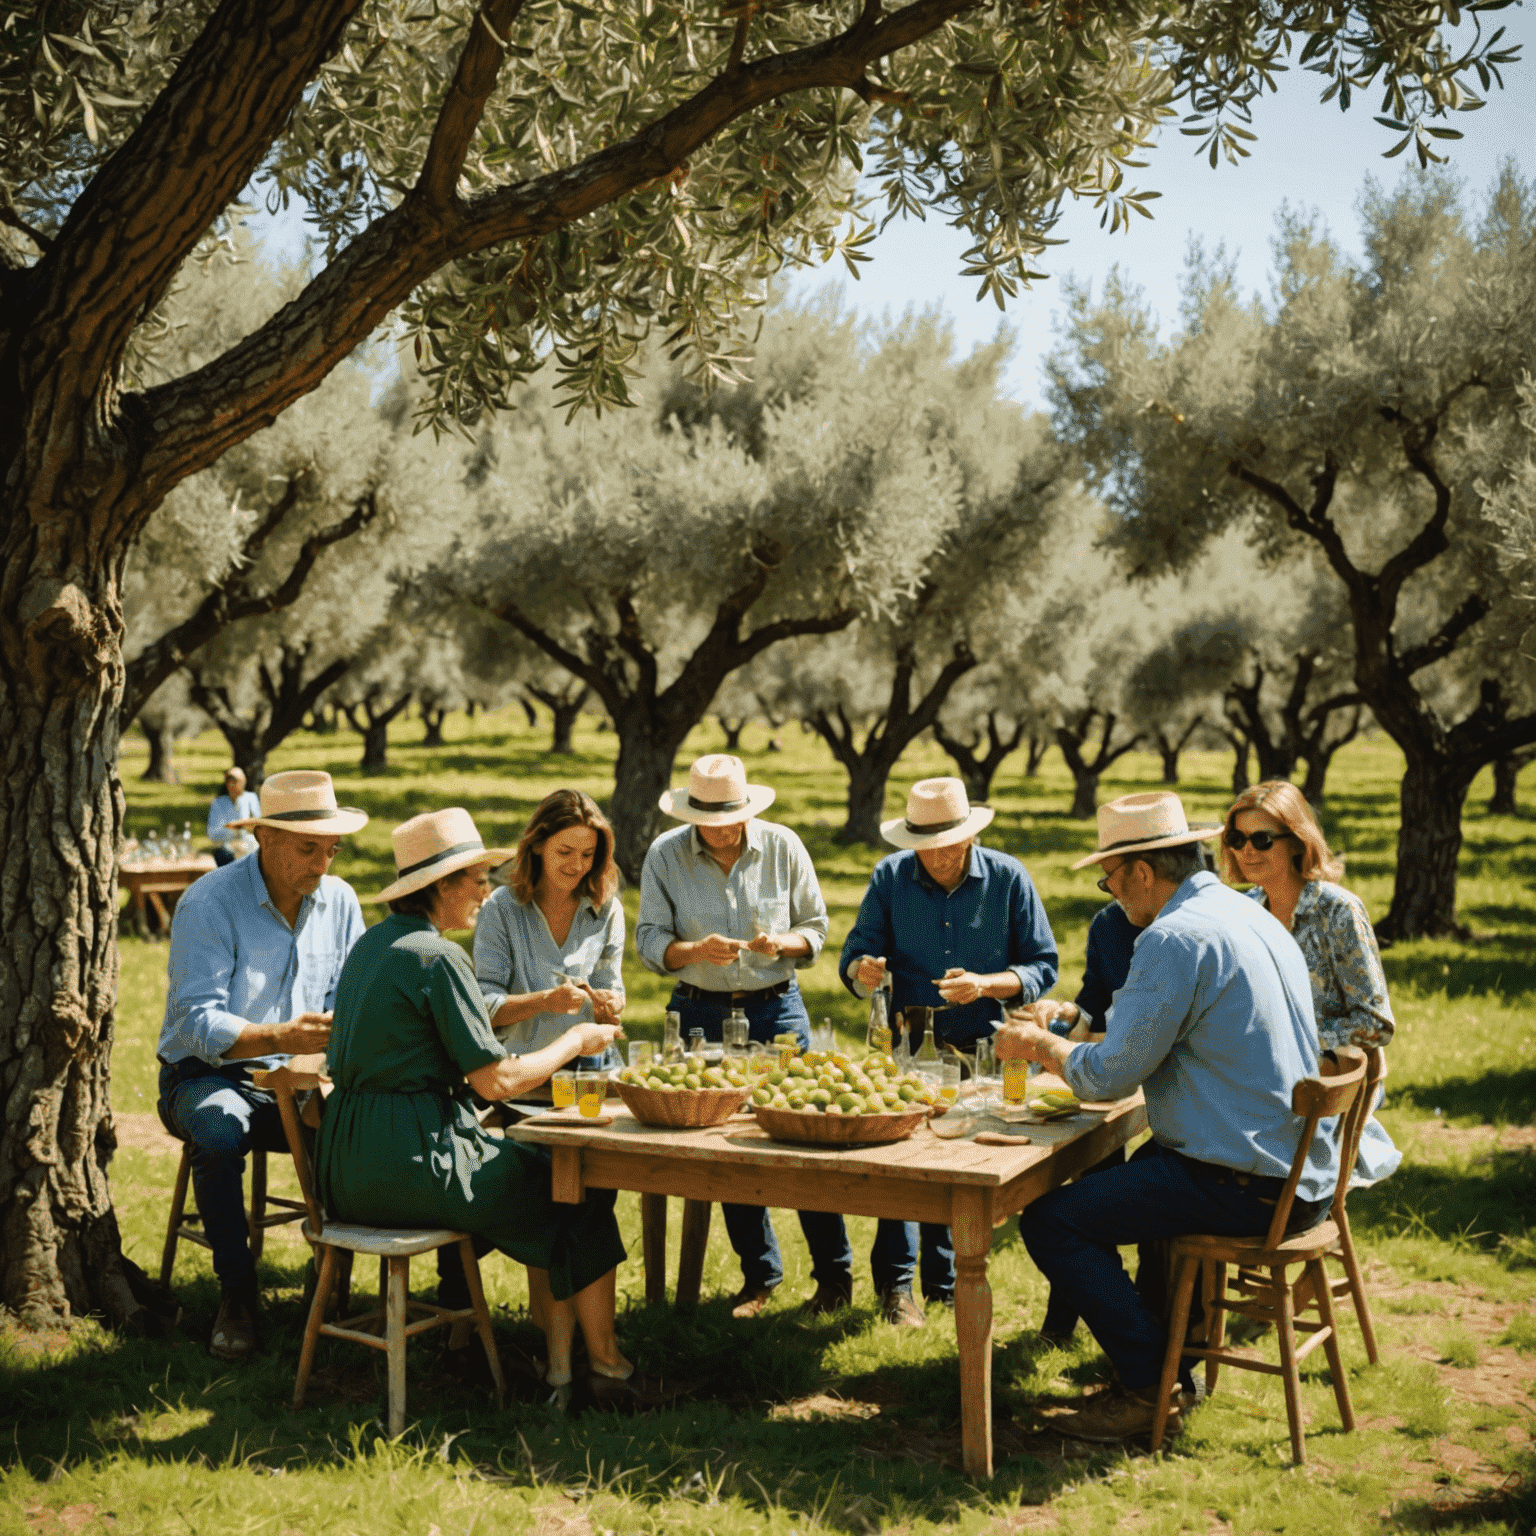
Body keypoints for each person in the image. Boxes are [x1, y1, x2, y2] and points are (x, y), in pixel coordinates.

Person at [996, 791, 1341, 1443]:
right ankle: (1178, 1362)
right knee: (1144, 1173)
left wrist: (1042, 1046)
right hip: (1299, 1170)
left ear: (1143, 874)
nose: (1111, 892)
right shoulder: (1251, 914)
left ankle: (1149, 1384)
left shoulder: (1172, 938)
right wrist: (1079, 1027)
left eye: (1110, 878)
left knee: (1052, 1221)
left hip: (1246, 1181)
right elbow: (1142, 1032)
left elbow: (1107, 1078)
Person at [317, 807, 653, 1408]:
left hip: (343, 1167)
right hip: (411, 1161)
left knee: (555, 1188)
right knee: (573, 1193)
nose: (485, 889)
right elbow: (498, 1081)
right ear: (437, 887)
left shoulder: (374, 944)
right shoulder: (437, 957)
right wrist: (575, 1039)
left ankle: (556, 1369)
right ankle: (603, 1366)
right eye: (473, 879)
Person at [157, 770, 367, 1361]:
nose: (323, 864)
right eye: (308, 848)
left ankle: (331, 1280)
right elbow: (197, 1025)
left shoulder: (341, 900)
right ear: (264, 839)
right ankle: (237, 1295)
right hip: (205, 1074)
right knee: (221, 1130)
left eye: (332, 849)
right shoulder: (210, 900)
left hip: (300, 1077)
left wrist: (323, 1049)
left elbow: (351, 999)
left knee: (363, 1126)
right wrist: (280, 1035)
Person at [636, 753, 849, 1319]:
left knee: (810, 1139)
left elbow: (817, 929)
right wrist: (694, 951)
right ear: (692, 816)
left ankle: (835, 1277)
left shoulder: (782, 846)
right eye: (710, 821)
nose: (723, 830)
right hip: (699, 1013)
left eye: (731, 818)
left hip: (776, 1009)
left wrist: (784, 944)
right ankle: (760, 1275)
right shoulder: (665, 855)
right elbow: (651, 941)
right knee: (726, 1151)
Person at [839, 777, 1059, 1326]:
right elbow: (856, 952)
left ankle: (946, 1283)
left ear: (969, 837)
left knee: (958, 1165)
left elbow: (1043, 965)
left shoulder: (1008, 878)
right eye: (924, 846)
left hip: (987, 1050)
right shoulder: (890, 877)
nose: (935, 857)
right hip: (912, 1041)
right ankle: (896, 1288)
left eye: (947, 845)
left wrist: (988, 983)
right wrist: (861, 970)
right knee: (901, 1166)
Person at [1223, 781, 1400, 1186]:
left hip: (1327, 1090)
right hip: (1264, 1083)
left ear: (1298, 843)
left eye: (1262, 839)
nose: (1246, 850)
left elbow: (1376, 1023)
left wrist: (1293, 1042)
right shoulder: (1246, 910)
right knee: (1182, 1148)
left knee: (1196, 1163)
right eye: (1236, 838)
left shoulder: (1337, 911)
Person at [474, 789, 626, 1069]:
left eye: (588, 854)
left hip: (593, 1074)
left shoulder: (607, 910)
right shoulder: (500, 909)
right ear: (538, 845)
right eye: (565, 852)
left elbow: (611, 986)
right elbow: (483, 1007)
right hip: (522, 1073)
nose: (577, 865)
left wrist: (611, 1003)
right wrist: (546, 1000)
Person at [206, 767, 261, 867]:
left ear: (243, 782)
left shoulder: (251, 799)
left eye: (235, 781)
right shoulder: (218, 803)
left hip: (249, 845)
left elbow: (260, 826)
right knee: (223, 856)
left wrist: (247, 828)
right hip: (228, 848)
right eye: (229, 781)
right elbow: (212, 833)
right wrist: (232, 831)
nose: (232, 785)